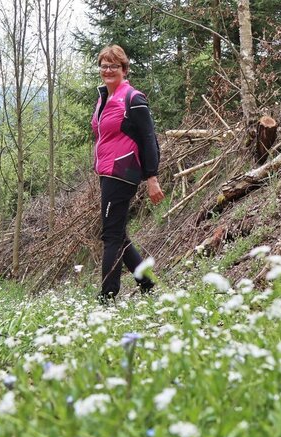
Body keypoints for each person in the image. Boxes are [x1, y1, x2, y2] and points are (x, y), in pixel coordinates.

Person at [92, 44, 165, 301]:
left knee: (111, 235)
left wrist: (152, 178)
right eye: (104, 65)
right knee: (118, 234)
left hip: (122, 173)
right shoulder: (104, 98)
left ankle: (107, 295)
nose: (108, 70)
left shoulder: (133, 98)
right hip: (107, 173)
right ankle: (146, 282)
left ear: (124, 69)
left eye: (114, 65)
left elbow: (149, 139)